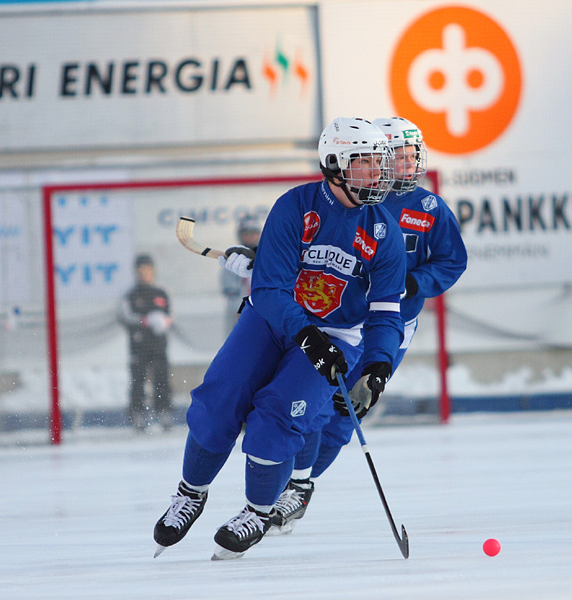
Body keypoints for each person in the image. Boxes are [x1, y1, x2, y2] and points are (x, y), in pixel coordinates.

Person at [152, 117, 406, 560]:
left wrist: (379, 363)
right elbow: (268, 290)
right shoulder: (295, 207)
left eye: (379, 166)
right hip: (271, 320)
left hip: (335, 334)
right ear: (333, 164)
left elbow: (386, 311)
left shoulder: (385, 232)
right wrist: (306, 334)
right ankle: (191, 493)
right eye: (365, 165)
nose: (378, 176)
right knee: (220, 399)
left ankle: (257, 511)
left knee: (279, 415)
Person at [266, 117, 468, 534]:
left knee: (350, 410)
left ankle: (304, 486)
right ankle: (286, 482)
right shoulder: (351, 199)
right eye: (399, 156)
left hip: (390, 324)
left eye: (413, 156)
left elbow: (453, 260)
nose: (408, 164)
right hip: (342, 320)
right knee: (317, 402)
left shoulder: (429, 208)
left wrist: (415, 282)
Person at [119, 254, 174, 432]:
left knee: (162, 378)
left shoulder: (161, 292)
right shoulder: (131, 295)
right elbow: (125, 316)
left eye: (147, 270)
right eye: (140, 271)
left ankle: (163, 410)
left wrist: (163, 321)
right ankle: (137, 413)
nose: (144, 274)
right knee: (138, 379)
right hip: (139, 345)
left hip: (158, 345)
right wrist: (144, 321)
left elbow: (170, 314)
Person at [219, 215, 261, 336]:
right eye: (246, 234)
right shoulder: (234, 259)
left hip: (263, 313)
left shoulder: (267, 256)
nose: (250, 237)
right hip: (240, 314)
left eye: (253, 233)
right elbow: (230, 291)